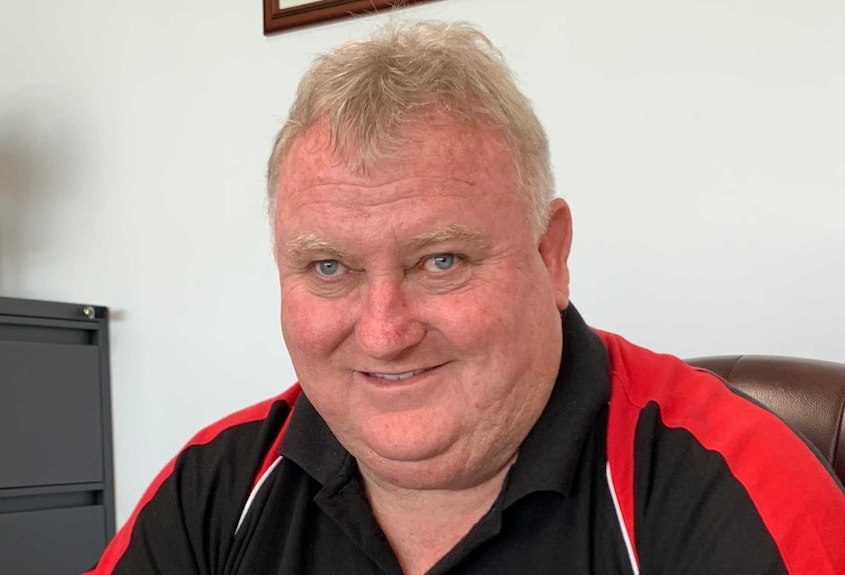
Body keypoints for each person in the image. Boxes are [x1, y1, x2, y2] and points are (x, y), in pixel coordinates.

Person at [87, 20, 845, 575]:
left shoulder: (729, 487)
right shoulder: (216, 485)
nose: (384, 333)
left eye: (440, 260)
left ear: (551, 255)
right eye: (328, 267)